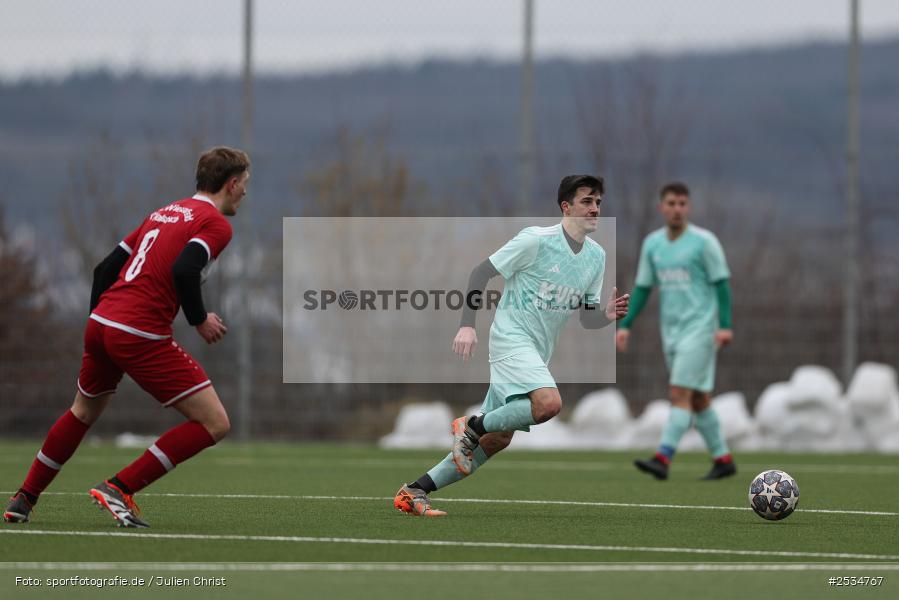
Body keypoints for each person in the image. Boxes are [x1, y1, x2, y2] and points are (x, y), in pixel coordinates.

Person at [3, 146, 250, 527]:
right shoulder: (215, 224)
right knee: (215, 423)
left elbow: (105, 269)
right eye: (245, 184)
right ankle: (120, 487)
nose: (246, 192)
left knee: (81, 412)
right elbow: (186, 269)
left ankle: (24, 498)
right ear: (231, 184)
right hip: (138, 331)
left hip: (102, 323)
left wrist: (102, 328)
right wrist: (199, 320)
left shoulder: (162, 213)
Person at [394, 175, 629, 516]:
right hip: (510, 339)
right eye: (587, 202)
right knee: (549, 404)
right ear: (566, 207)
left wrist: (605, 315)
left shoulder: (596, 257)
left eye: (598, 203)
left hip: (536, 352)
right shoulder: (536, 240)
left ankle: (414, 491)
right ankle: (472, 425)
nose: (595, 209)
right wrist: (466, 326)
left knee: (498, 438)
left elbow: (587, 317)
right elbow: (480, 273)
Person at [617, 181, 736, 481]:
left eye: (682, 203)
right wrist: (626, 325)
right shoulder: (653, 244)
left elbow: (722, 284)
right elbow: (644, 288)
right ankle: (723, 459)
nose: (677, 209)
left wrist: (724, 325)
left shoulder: (704, 242)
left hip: (701, 329)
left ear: (689, 207)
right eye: (671, 203)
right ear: (661, 207)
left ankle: (663, 457)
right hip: (671, 331)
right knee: (698, 399)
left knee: (679, 392)